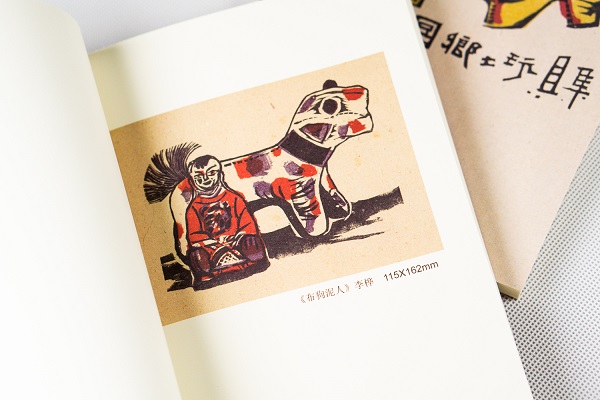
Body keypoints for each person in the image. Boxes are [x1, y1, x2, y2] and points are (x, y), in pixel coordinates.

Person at [184, 155, 268, 290]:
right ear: (192, 180)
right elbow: (195, 235)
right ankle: (209, 274)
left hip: (236, 242)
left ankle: (251, 262)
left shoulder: (234, 198)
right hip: (212, 248)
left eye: (211, 173)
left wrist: (240, 236)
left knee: (252, 243)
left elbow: (247, 222)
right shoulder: (193, 208)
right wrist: (212, 244)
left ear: (220, 174)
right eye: (199, 176)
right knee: (197, 256)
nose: (205, 179)